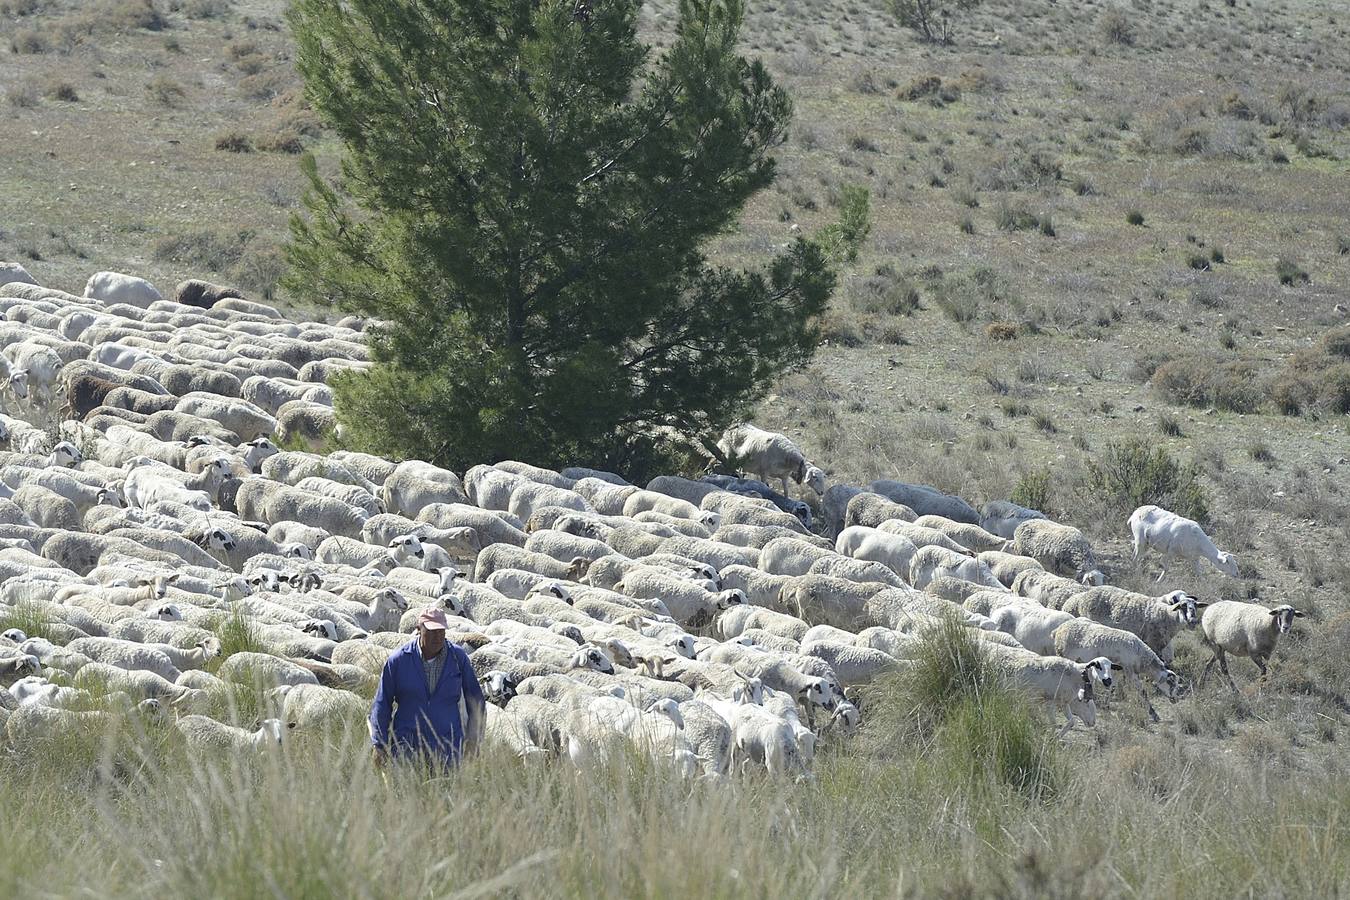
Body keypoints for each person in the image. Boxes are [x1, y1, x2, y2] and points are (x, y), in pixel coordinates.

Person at [369, 607, 485, 768]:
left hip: (447, 748)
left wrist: (473, 740)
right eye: (431, 631)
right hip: (407, 747)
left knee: (445, 791)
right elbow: (382, 703)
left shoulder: (457, 658)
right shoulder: (399, 660)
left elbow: (476, 700)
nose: (437, 637)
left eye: (440, 631)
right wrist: (379, 744)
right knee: (406, 791)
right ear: (419, 629)